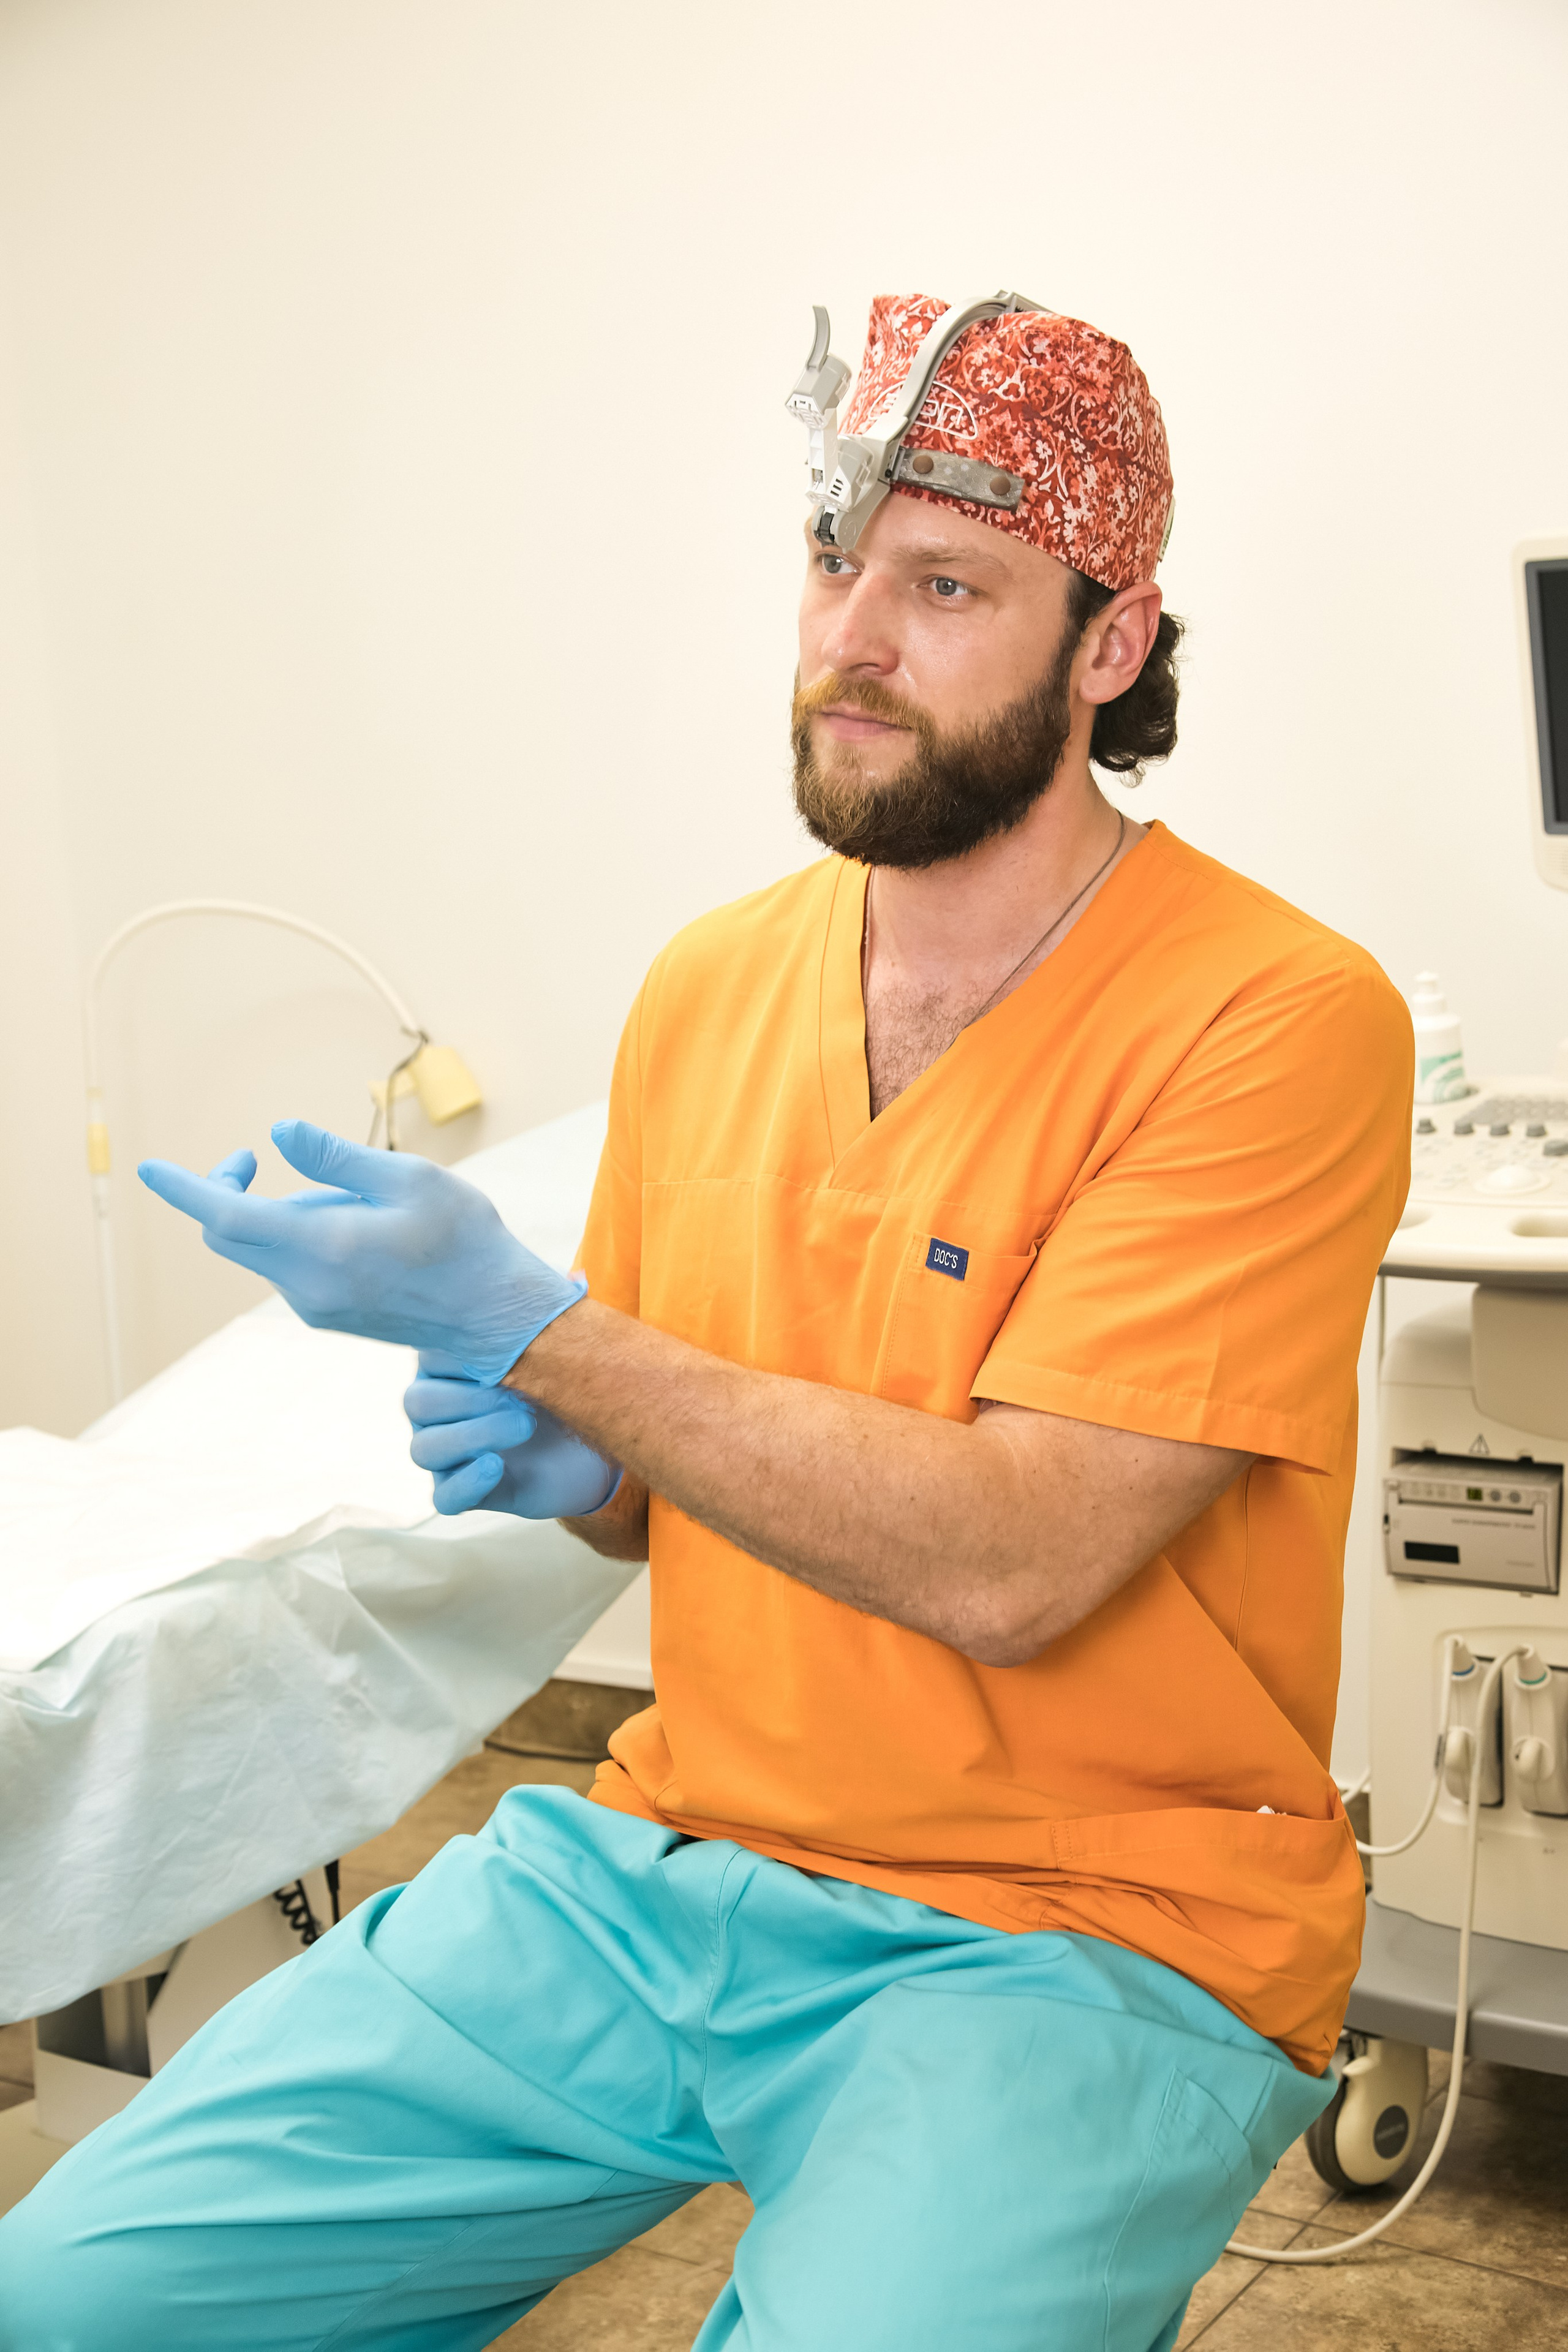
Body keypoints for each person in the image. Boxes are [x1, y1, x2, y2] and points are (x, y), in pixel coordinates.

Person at [0, 292, 1412, 2352]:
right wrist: (593, 1477)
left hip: (1091, 1926)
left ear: (1109, 647)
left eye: (946, 585)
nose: (854, 638)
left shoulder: (1275, 1019)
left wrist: (555, 1338)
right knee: (66, 2299)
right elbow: (672, 1490)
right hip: (679, 1851)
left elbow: (1017, 1564)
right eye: (837, 563)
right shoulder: (712, 983)